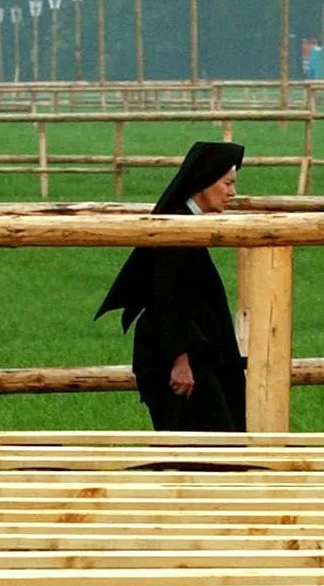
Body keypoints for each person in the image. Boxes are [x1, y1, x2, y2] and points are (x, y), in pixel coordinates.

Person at [96, 141, 245, 431]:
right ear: (204, 181)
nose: (232, 193)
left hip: (192, 356)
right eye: (227, 183)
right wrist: (180, 359)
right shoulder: (175, 227)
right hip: (178, 362)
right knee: (201, 448)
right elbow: (165, 296)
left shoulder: (188, 223)